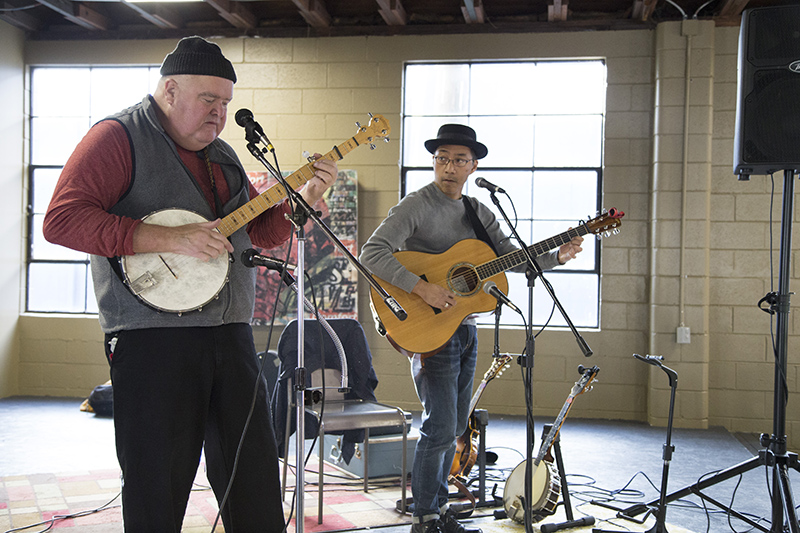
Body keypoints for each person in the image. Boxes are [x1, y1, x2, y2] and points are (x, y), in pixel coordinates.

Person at [43, 36, 338, 532]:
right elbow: (61, 220)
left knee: (254, 479)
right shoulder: (116, 138)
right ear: (170, 90)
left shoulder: (222, 155)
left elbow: (259, 233)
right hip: (152, 339)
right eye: (208, 100)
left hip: (231, 332)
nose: (220, 114)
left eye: (225, 103)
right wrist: (166, 237)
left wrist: (304, 198)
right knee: (157, 483)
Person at [359, 124, 583, 533]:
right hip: (429, 329)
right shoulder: (417, 205)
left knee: (457, 425)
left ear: (473, 165)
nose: (448, 167)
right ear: (434, 162)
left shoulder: (479, 212)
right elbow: (371, 252)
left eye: (459, 160)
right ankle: (424, 516)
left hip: (465, 328)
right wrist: (422, 288)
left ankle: (440, 508)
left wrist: (557, 257)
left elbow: (510, 258)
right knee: (440, 425)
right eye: (441, 158)